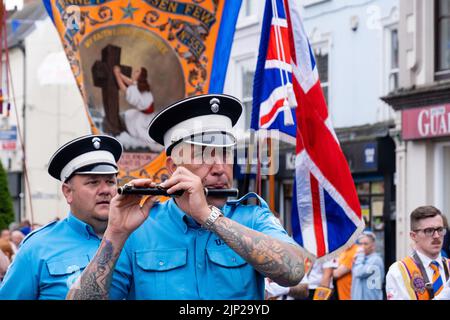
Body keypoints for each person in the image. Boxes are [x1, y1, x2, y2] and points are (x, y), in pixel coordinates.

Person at [67, 94, 305, 300]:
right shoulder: (139, 228)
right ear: (173, 167)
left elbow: (294, 271)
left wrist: (208, 216)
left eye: (225, 155)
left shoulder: (252, 216)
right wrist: (115, 234)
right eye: (204, 156)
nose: (220, 168)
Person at [0, 134, 124, 299]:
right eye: (93, 182)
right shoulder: (37, 247)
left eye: (110, 182)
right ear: (67, 192)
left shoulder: (137, 238)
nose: (105, 190)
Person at [385, 206, 450, 300]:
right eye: (429, 231)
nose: (436, 236)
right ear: (413, 236)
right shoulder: (399, 271)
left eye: (440, 230)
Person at [113, 66, 161, 150]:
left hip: (145, 117)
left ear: (140, 76)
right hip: (145, 113)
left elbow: (124, 89)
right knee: (129, 115)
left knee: (140, 131)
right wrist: (120, 74)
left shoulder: (137, 89)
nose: (135, 72)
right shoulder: (139, 85)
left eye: (137, 71)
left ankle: (155, 142)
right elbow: (130, 82)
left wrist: (117, 75)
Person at [351, 231, 384, 300]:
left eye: (365, 244)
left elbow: (359, 272)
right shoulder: (360, 259)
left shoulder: (376, 260)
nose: (362, 247)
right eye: (360, 244)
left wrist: (359, 256)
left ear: (373, 246)